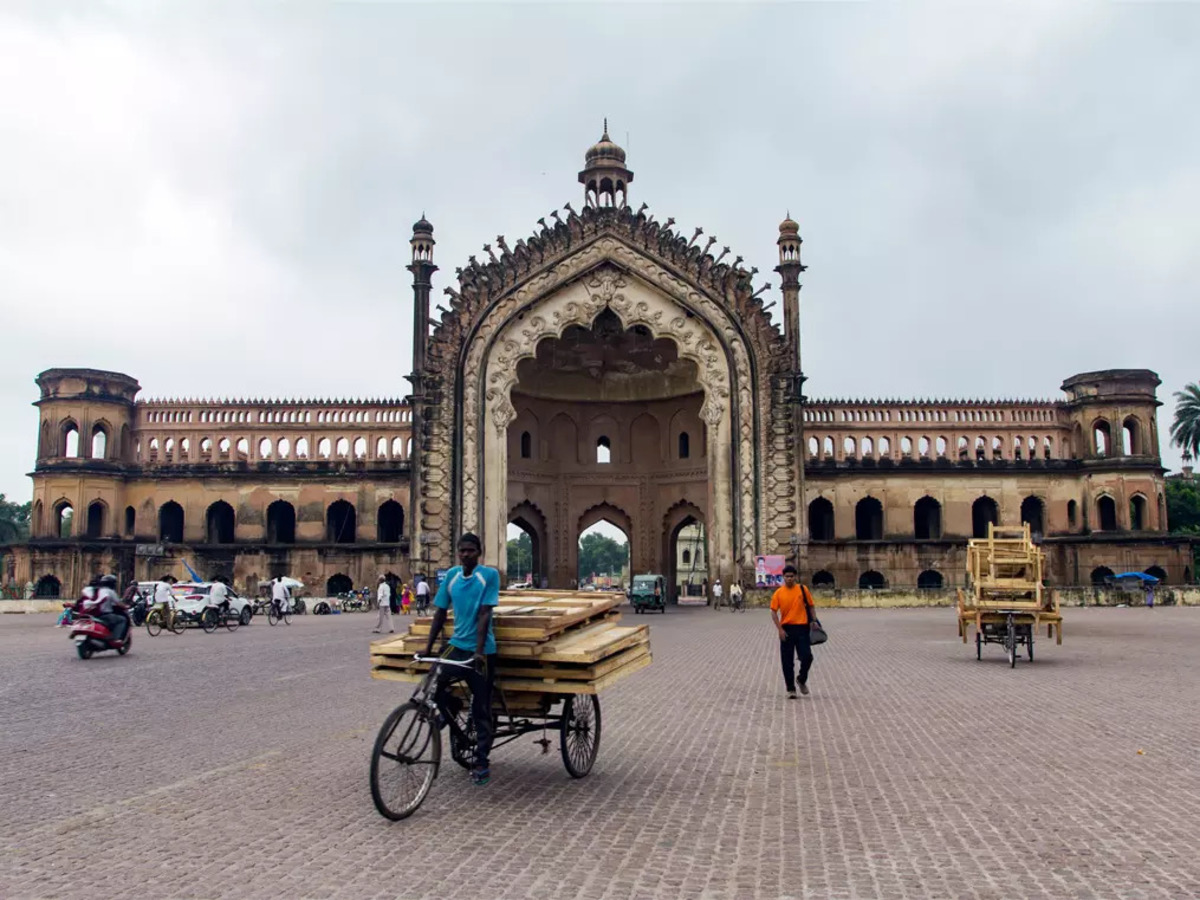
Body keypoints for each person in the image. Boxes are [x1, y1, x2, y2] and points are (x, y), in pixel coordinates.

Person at [423, 533, 500, 786]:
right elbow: (440, 613)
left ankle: (482, 762)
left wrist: (478, 652)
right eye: (462, 550)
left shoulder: (489, 576)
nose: (465, 554)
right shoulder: (453, 576)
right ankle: (451, 709)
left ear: (479, 552)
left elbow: (485, 614)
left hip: (482, 651)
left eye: (470, 550)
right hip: (455, 646)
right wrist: (428, 647)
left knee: (481, 708)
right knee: (433, 687)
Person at [770, 564, 816, 699]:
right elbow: (773, 612)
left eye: (791, 576)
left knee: (807, 656)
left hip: (802, 628)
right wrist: (780, 629)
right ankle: (790, 688)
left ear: (795, 576)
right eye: (786, 576)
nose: (789, 579)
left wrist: (813, 621)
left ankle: (801, 679)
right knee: (787, 660)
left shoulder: (803, 589)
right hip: (787, 629)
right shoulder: (779, 593)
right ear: (783, 577)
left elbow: (811, 606)